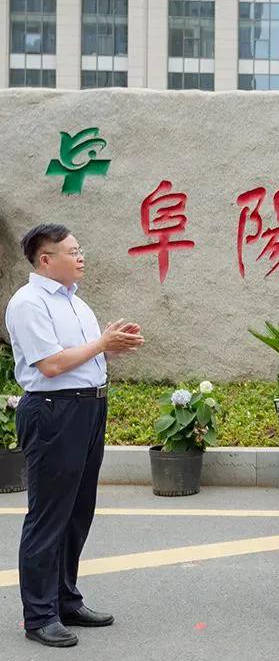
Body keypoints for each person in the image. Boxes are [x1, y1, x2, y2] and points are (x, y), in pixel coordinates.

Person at [4, 224, 144, 648]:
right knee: (48, 516)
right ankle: (39, 615)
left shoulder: (75, 303)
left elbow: (79, 356)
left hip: (88, 407)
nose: (81, 256)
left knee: (77, 511)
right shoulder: (28, 303)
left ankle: (66, 599)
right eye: (72, 251)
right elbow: (49, 365)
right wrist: (102, 342)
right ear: (46, 260)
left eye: (80, 249)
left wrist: (110, 345)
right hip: (53, 412)